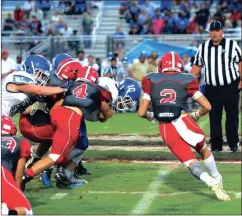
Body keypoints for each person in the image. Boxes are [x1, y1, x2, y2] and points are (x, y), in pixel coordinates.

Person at [138, 52, 230, 201]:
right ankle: (217, 177)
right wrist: (196, 115)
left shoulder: (151, 79)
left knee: (191, 163)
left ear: (162, 65)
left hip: (166, 128)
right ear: (179, 66)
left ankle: (211, 182)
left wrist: (153, 116)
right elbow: (207, 106)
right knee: (203, 149)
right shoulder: (187, 80)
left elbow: (141, 112)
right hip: (184, 120)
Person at [192, 20, 242, 152]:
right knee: (214, 116)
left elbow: (240, 62)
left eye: (216, 31)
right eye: (212, 31)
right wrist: (191, 82)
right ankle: (216, 145)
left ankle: (233, 144)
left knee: (232, 115)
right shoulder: (203, 47)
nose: (214, 33)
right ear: (209, 32)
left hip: (230, 86)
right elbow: (196, 65)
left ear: (222, 32)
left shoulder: (232, 45)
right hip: (212, 88)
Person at [1, 115, 33, 215]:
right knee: (26, 211)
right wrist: (17, 189)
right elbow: (19, 174)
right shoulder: (21, 142)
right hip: (2, 172)